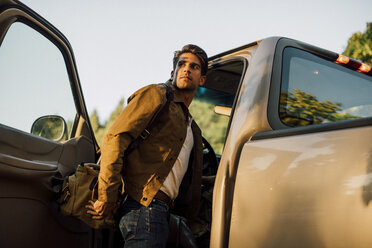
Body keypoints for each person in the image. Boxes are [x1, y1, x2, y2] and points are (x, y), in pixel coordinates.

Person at [86, 44, 208, 247]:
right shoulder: (158, 94)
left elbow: (178, 171)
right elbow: (116, 137)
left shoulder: (192, 127)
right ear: (173, 71)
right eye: (182, 64)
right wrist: (107, 195)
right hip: (143, 207)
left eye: (194, 67)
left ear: (202, 79)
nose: (187, 69)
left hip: (163, 211)